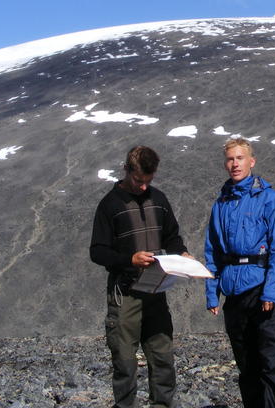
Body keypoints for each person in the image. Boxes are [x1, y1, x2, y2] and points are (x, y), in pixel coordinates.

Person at [90, 145, 190, 408]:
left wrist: (182, 253)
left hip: (156, 291)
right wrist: (129, 260)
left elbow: (172, 235)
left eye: (149, 180)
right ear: (127, 170)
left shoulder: (159, 199)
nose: (144, 186)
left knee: (162, 355)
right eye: (138, 180)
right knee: (124, 360)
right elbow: (98, 251)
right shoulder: (110, 205)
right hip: (125, 294)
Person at [204, 137, 275, 408]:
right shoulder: (221, 203)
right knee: (247, 366)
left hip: (261, 290)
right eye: (230, 159)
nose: (235, 164)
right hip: (234, 294)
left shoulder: (268, 198)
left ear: (251, 161)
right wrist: (212, 293)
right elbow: (213, 251)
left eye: (240, 158)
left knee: (274, 364)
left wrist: (272, 291)